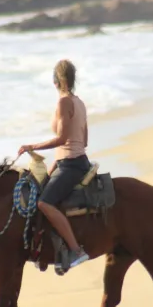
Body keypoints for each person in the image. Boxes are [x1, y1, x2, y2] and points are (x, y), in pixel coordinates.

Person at [18, 59, 91, 271]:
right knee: (41, 192)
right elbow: (83, 141)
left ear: (56, 81)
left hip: (71, 164)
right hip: (72, 161)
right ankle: (53, 250)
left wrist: (32, 146)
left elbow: (61, 138)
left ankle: (77, 251)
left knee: (44, 204)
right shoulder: (80, 102)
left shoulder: (63, 103)